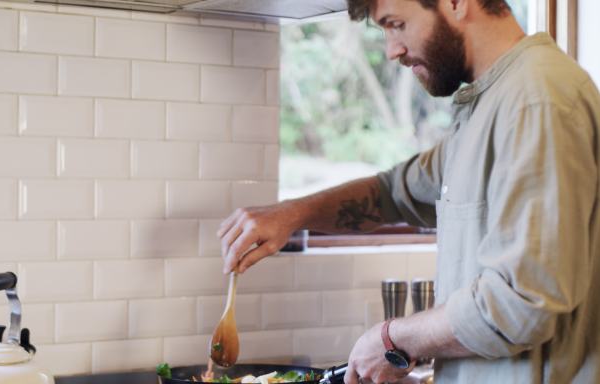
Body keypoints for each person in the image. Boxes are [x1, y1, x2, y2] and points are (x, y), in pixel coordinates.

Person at [217, 0, 600, 383]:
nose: (391, 50)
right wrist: (291, 215)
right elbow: (393, 193)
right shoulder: (489, 102)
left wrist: (394, 339)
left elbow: (520, 303)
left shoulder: (537, 99)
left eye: (397, 24)